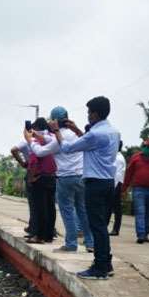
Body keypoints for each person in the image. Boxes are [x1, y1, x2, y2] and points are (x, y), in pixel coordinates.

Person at [49, 96, 120, 280]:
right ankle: (106, 262)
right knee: (101, 226)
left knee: (97, 226)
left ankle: (100, 268)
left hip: (94, 184)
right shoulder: (113, 132)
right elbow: (89, 142)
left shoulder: (95, 134)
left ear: (95, 114)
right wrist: (76, 129)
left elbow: (67, 148)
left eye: (89, 112)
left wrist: (57, 131)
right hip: (108, 183)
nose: (88, 115)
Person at [48, 106, 94, 253]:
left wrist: (32, 139)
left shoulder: (56, 139)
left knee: (67, 211)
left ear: (53, 121)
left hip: (65, 178)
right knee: (83, 210)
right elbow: (86, 141)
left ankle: (71, 243)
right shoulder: (76, 135)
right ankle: (90, 242)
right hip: (81, 176)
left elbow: (40, 151)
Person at [23, 117, 58, 243]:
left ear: (36, 128)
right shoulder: (50, 137)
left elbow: (33, 161)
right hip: (52, 176)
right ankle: (49, 235)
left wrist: (31, 178)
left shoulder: (35, 141)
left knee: (39, 208)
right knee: (50, 207)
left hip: (40, 177)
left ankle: (39, 236)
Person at [11, 140, 36, 237]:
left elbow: (13, 150)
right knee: (47, 204)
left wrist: (22, 163)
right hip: (50, 174)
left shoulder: (28, 141)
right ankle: (50, 229)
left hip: (32, 172)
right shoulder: (49, 139)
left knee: (33, 203)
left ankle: (33, 228)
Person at [109, 141, 126, 236]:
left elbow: (117, 175)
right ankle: (115, 228)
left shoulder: (118, 158)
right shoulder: (117, 157)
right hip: (116, 184)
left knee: (116, 208)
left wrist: (113, 187)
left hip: (116, 184)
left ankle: (116, 229)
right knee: (116, 208)